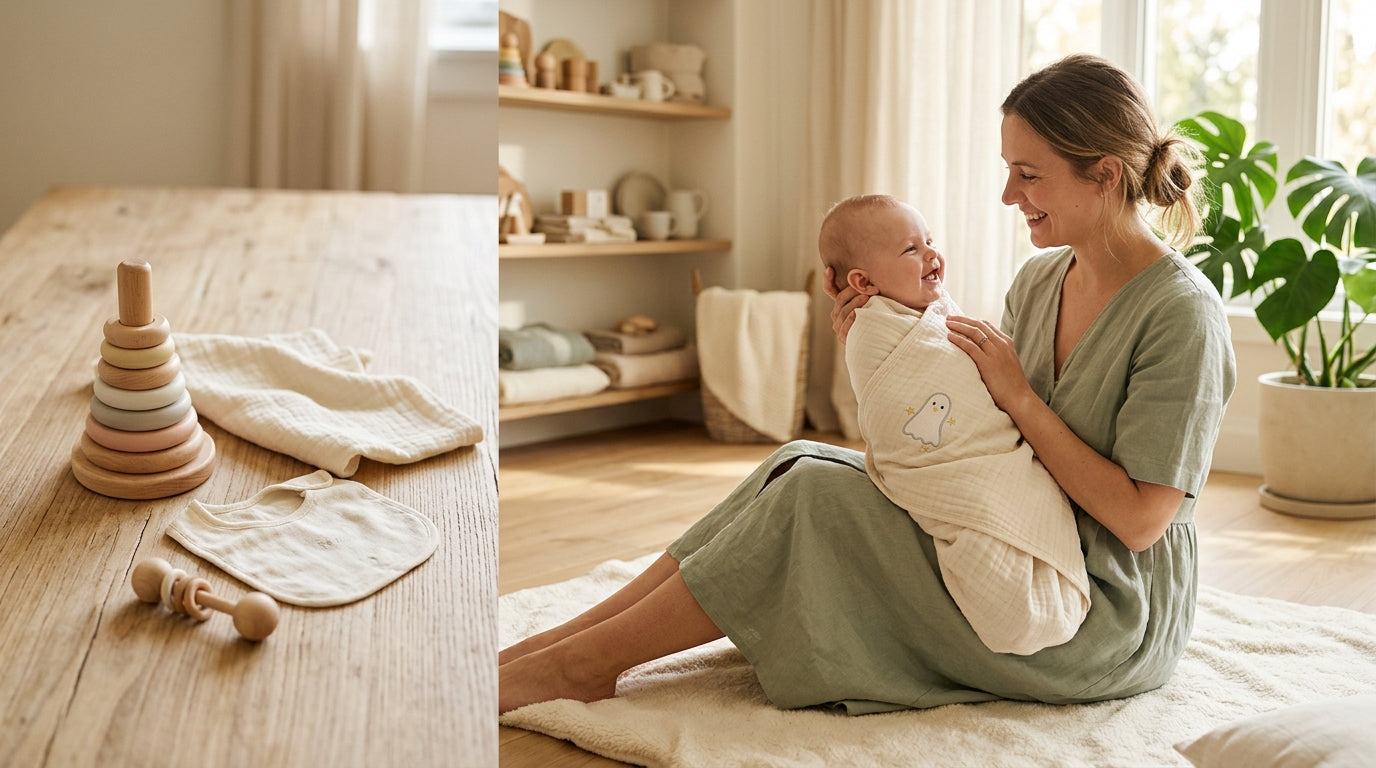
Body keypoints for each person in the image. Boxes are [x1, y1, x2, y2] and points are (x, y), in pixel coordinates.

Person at [500, 52, 1237, 717]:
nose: (1009, 194)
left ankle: (582, 665)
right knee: (796, 462)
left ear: (1105, 173)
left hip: (1093, 610)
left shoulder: (1182, 314)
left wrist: (1018, 396)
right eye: (1008, 168)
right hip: (1007, 535)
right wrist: (880, 333)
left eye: (1029, 172)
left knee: (815, 502)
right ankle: (568, 643)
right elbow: (974, 425)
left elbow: (1141, 520)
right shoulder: (1042, 280)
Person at [818, 194, 1090, 657]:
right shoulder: (873, 330)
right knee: (794, 466)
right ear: (862, 280)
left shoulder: (936, 314)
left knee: (798, 476)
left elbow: (971, 382)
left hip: (997, 467)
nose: (932, 256)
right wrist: (865, 326)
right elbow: (898, 397)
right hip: (948, 472)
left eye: (930, 242)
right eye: (911, 250)